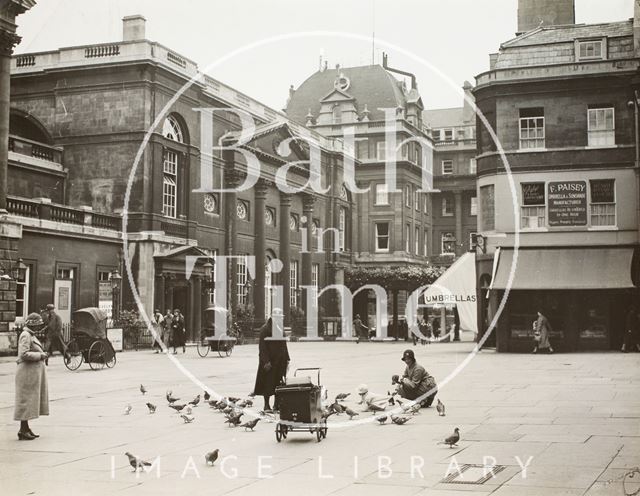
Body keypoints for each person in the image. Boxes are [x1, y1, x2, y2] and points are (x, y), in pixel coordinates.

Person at [14, 313, 49, 440]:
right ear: (32, 325)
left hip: (31, 374)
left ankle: (26, 428)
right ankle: (23, 430)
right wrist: (40, 356)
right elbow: (23, 354)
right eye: (38, 325)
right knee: (26, 402)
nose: (39, 327)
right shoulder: (25, 335)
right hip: (26, 374)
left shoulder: (30, 335)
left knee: (29, 402)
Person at [252, 310, 290, 412]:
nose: (280, 319)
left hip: (280, 361)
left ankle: (276, 405)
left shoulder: (280, 328)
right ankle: (266, 405)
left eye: (281, 317)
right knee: (268, 383)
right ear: (273, 317)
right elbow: (262, 347)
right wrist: (266, 361)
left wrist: (287, 359)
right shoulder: (265, 329)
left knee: (279, 383)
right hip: (270, 362)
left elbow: (284, 345)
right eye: (278, 317)